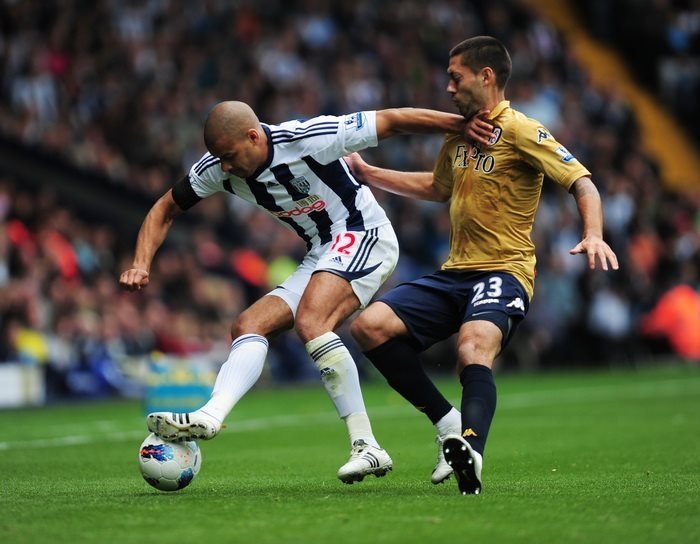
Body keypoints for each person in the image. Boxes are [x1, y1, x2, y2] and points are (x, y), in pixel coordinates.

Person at [119, 100, 470, 484]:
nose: (225, 167)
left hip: (365, 234)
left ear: (253, 137)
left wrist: (460, 125)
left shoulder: (308, 138)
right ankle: (212, 415)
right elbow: (164, 209)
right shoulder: (217, 168)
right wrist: (141, 262)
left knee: (312, 320)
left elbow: (391, 120)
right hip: (323, 251)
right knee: (247, 325)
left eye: (230, 156)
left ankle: (366, 444)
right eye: (219, 158)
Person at [347, 36, 619, 495]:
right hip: (455, 272)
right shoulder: (460, 133)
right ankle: (447, 422)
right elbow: (438, 188)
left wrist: (593, 233)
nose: (449, 87)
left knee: (473, 348)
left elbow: (582, 181)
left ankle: (470, 449)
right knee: (368, 326)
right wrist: (372, 174)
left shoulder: (522, 130)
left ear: (485, 76)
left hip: (505, 270)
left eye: (456, 77)